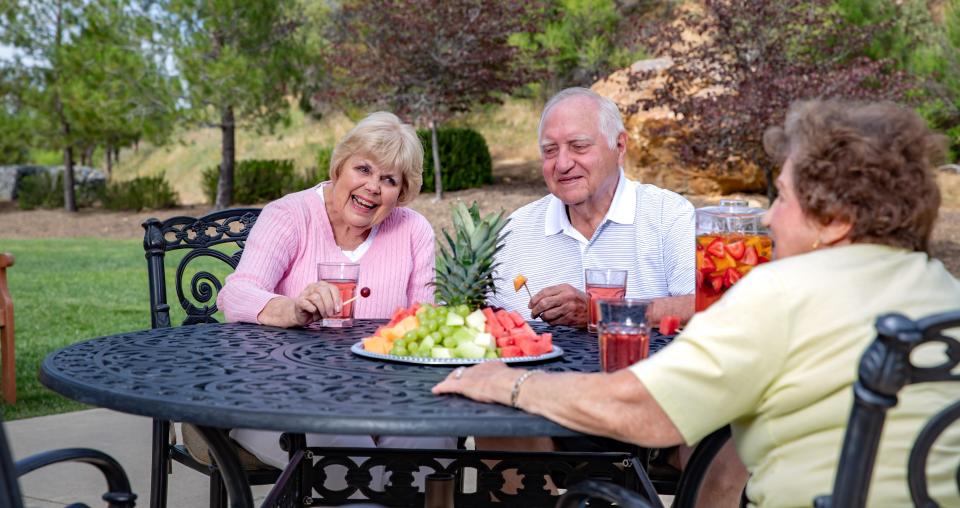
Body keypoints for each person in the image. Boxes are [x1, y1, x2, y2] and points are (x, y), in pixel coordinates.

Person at [436, 99, 960, 507]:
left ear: (838, 220)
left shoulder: (780, 294)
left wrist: (510, 382)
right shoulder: (944, 292)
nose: (769, 218)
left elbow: (643, 411)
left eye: (781, 197)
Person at [217, 111, 455, 474]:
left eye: (388, 179)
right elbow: (236, 293)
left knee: (430, 440)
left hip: (387, 396)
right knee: (352, 459)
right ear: (339, 167)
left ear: (401, 193)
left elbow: (425, 318)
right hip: (284, 396)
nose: (373, 186)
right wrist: (292, 309)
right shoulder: (290, 215)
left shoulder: (413, 230)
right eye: (363, 170)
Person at [487, 87, 696, 326]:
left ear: (619, 146)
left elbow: (709, 306)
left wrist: (601, 312)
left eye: (579, 146)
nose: (563, 164)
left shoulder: (667, 215)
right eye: (550, 150)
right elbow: (479, 316)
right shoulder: (515, 230)